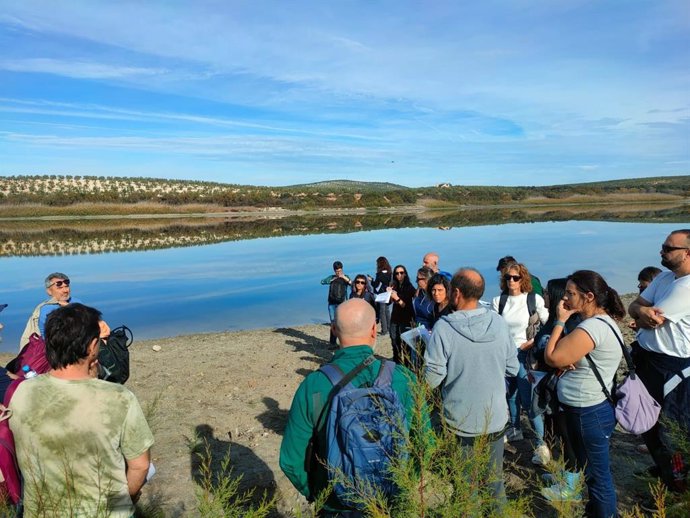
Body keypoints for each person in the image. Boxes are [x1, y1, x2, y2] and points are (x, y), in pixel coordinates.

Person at [9, 303, 154, 517]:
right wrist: (127, 500)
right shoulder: (119, 398)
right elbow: (140, 467)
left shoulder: (21, 392)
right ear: (92, 346)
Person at [279, 299, 419, 517]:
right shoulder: (403, 378)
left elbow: (290, 460)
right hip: (393, 502)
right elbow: (425, 444)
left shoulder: (313, 385)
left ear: (334, 330)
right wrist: (403, 484)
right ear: (374, 329)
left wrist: (319, 493)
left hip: (336, 505)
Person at [425, 268, 519, 507]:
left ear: (455, 293)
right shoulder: (497, 322)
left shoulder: (443, 328)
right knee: (495, 482)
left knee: (466, 486)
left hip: (460, 422)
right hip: (495, 418)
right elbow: (513, 368)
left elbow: (432, 379)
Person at [545, 270, 625, 518]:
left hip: (588, 411)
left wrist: (559, 321)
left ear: (589, 296)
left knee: (598, 477)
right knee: (591, 471)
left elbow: (552, 356)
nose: (565, 299)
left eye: (571, 294)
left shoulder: (592, 327)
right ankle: (595, 511)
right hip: (588, 408)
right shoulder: (599, 323)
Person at [628, 229, 690, 493]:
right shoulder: (665, 278)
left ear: (687, 253)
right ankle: (661, 467)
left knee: (671, 427)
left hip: (672, 367)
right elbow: (635, 307)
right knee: (648, 421)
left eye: (668, 248)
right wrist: (642, 312)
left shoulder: (687, 288)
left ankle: (676, 483)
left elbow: (654, 322)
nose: (661, 252)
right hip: (649, 361)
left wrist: (642, 316)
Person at [492, 262, 550, 465]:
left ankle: (540, 445)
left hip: (526, 356)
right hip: (505, 356)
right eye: (508, 277)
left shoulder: (533, 299)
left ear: (522, 279)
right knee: (511, 395)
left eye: (515, 278)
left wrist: (533, 342)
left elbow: (548, 325)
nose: (511, 281)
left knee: (529, 401)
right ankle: (515, 428)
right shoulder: (498, 301)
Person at [19, 272, 79, 349]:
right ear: (49, 291)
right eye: (60, 288)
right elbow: (54, 339)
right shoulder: (47, 309)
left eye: (66, 286)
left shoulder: (76, 301)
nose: (65, 290)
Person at [387, 265, 416, 365]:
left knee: (405, 345)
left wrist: (396, 297)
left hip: (406, 318)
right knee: (394, 342)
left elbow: (406, 305)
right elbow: (388, 303)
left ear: (405, 274)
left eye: (401, 273)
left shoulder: (410, 287)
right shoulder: (394, 286)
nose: (399, 275)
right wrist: (389, 295)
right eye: (397, 273)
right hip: (395, 317)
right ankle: (397, 364)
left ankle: (407, 367)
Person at [321, 261, 351, 346]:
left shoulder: (346, 277)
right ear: (334, 271)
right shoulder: (332, 277)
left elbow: (352, 284)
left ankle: (344, 341)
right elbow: (322, 282)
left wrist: (344, 277)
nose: (338, 273)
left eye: (340, 271)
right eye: (337, 271)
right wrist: (332, 279)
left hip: (342, 303)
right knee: (333, 323)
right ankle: (332, 342)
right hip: (332, 303)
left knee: (343, 323)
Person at [373, 256, 393, 336]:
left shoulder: (379, 274)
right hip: (389, 294)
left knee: (382, 312)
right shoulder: (390, 274)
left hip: (382, 294)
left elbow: (376, 285)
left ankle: (384, 330)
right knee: (388, 311)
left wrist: (371, 281)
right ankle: (389, 328)